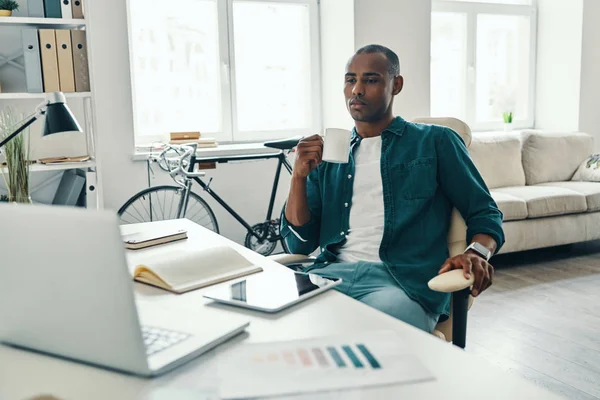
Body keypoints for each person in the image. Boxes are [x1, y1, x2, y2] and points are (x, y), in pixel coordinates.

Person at [280, 44, 505, 333]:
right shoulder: (330, 154)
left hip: (402, 283)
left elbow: (484, 212)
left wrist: (477, 253)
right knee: (277, 325)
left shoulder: (435, 142)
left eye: (370, 80)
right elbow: (299, 244)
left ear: (396, 85)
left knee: (374, 340)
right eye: (350, 80)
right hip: (330, 276)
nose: (356, 90)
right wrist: (298, 177)